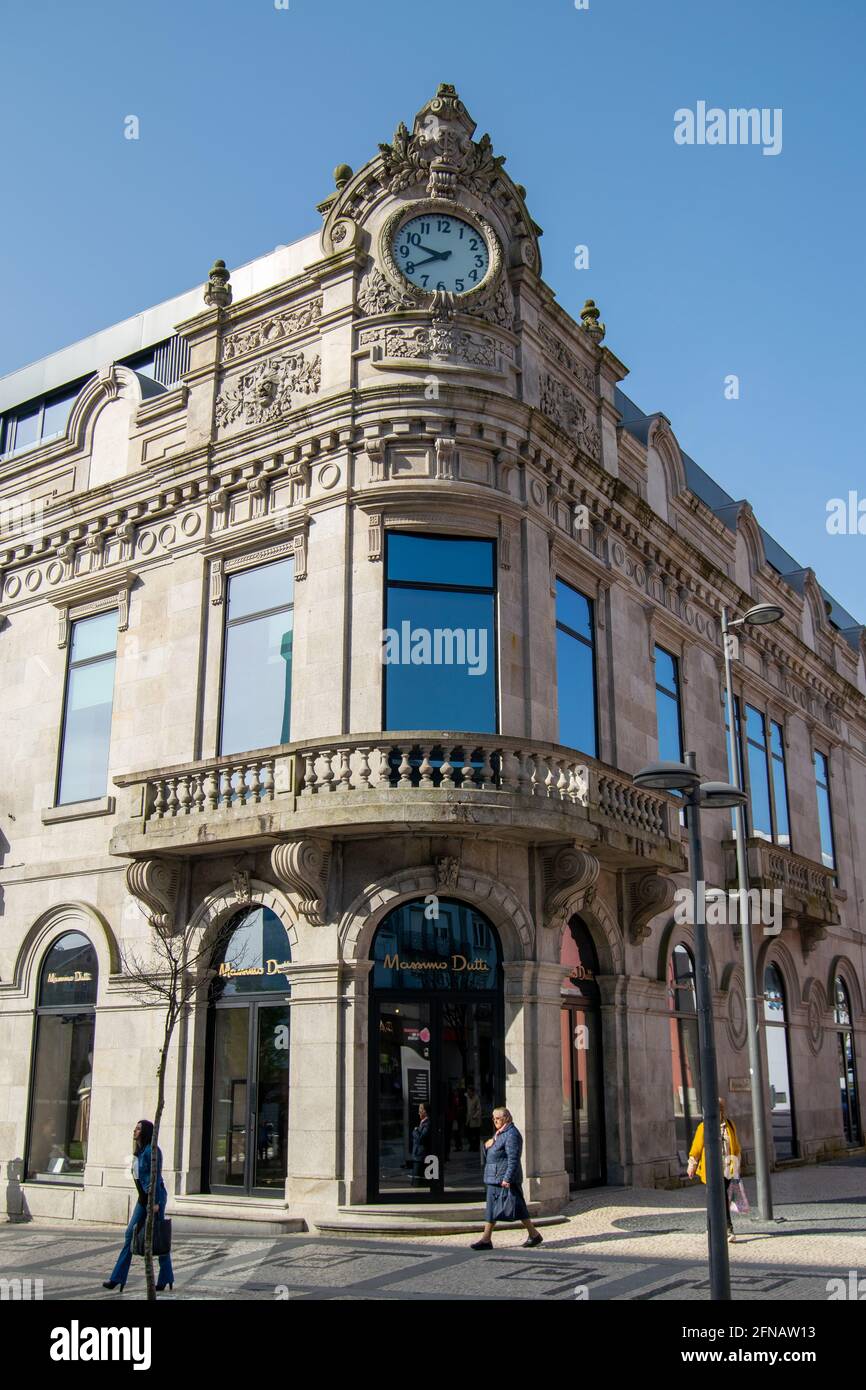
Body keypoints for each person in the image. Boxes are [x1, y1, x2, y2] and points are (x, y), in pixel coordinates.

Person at [103, 1119, 175, 1292]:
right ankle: (117, 1278)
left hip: (154, 1198)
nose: (134, 1131)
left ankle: (165, 1277)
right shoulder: (140, 1151)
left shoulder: (152, 1150)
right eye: (135, 1128)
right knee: (130, 1234)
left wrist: (156, 1203)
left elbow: (155, 1179)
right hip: (143, 1199)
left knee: (157, 1235)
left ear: (146, 1132)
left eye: (138, 1129)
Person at [470, 1106, 543, 1250]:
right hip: (494, 1177)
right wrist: (487, 1146)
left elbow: (513, 1159)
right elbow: (492, 1153)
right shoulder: (500, 1133)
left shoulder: (511, 1134)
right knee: (495, 1208)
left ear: (507, 1118)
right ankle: (488, 1239)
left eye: (498, 1118)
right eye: (493, 1118)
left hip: (503, 1179)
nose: (494, 1120)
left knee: (517, 1207)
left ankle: (532, 1235)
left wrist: (507, 1178)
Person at [687, 1097, 742, 1243]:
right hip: (710, 1169)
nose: (720, 1111)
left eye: (721, 1108)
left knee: (719, 1198)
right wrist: (692, 1165)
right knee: (721, 1198)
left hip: (727, 1169)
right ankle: (728, 1229)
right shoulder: (703, 1127)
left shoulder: (729, 1125)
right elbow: (696, 1149)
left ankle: (710, 1227)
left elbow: (736, 1147)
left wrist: (735, 1168)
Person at [410, 1103, 432, 1187]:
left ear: (425, 1111)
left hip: (421, 1156)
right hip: (418, 1155)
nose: (419, 1111)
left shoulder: (427, 1123)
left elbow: (420, 1139)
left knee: (418, 1182)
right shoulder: (423, 1123)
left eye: (421, 1109)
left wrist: (415, 1131)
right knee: (416, 1181)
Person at [465, 1085, 482, 1151]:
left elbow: (479, 1109)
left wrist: (475, 1116)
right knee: (469, 1134)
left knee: (476, 1134)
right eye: (468, 1092)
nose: (468, 1093)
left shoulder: (476, 1098)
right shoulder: (467, 1097)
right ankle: (471, 1146)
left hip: (475, 1120)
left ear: (473, 1092)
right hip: (468, 1119)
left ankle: (475, 1147)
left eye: (470, 1092)